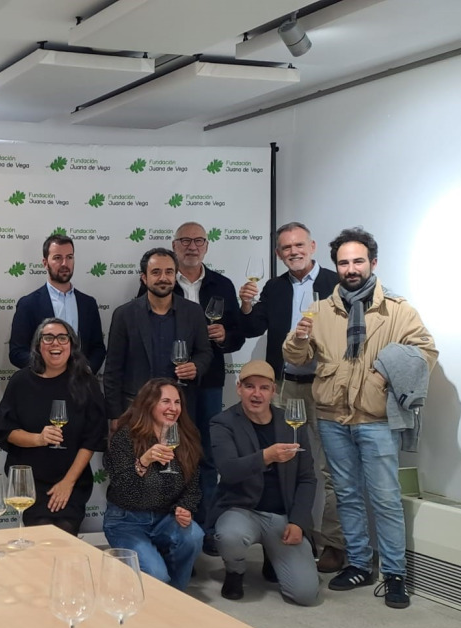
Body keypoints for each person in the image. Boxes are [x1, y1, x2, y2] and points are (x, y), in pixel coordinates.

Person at [285, 227, 437, 609]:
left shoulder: (397, 310)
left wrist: (386, 371)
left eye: (357, 261)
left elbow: (426, 351)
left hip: (376, 419)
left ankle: (395, 573)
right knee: (347, 494)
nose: (350, 268)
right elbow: (296, 358)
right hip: (332, 417)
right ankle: (358, 563)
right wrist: (300, 339)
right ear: (335, 266)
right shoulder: (320, 310)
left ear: (372, 262)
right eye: (343, 262)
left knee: (385, 498)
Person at [238, 222, 345, 572]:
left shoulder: (336, 283)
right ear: (278, 254)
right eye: (286, 248)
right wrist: (246, 306)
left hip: (325, 386)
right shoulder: (274, 286)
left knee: (331, 469)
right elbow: (254, 328)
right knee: (284, 464)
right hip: (284, 387)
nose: (293, 252)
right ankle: (281, 541)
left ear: (312, 246)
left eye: (299, 245)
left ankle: (333, 544)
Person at [211, 360, 320, 606]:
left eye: (264, 388)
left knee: (305, 595)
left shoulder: (292, 423)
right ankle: (235, 571)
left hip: (282, 516)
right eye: (250, 386)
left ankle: (274, 556)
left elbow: (307, 478)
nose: (256, 394)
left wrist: (298, 522)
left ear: (274, 391)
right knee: (229, 535)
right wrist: (266, 456)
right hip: (242, 510)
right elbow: (228, 470)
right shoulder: (223, 422)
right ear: (239, 388)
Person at [170, 222, 245, 555]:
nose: (192, 246)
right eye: (185, 240)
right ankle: (174, 526)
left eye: (198, 240)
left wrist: (224, 336)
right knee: (171, 454)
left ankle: (208, 528)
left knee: (209, 457)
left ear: (207, 246)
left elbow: (238, 334)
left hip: (211, 381)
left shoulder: (222, 284)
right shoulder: (160, 280)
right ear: (175, 245)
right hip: (169, 383)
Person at [0, 319, 106, 535]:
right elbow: (6, 432)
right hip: (30, 483)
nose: (56, 344)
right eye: (48, 338)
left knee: (63, 535)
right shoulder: (20, 382)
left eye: (63, 338)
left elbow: (92, 439)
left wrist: (67, 483)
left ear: (71, 345)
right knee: (40, 538)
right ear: (38, 345)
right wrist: (39, 439)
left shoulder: (86, 383)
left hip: (71, 481)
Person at [102, 378, 205, 590]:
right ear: (149, 404)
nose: (173, 408)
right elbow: (122, 488)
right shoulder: (125, 437)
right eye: (166, 401)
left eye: (177, 403)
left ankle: (176, 594)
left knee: (194, 535)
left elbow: (193, 487)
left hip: (164, 518)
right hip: (125, 521)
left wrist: (184, 508)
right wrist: (144, 461)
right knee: (157, 575)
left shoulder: (186, 437)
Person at [104, 248, 211, 427]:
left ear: (175, 275)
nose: (163, 278)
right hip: (135, 407)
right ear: (144, 278)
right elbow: (113, 369)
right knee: (136, 457)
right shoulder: (124, 314)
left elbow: (205, 353)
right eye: (156, 272)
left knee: (178, 455)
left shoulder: (193, 312)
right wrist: (115, 416)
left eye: (169, 272)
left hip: (178, 409)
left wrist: (196, 366)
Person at [8, 233, 106, 372]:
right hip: (43, 386)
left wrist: (87, 370)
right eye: (58, 258)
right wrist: (48, 369)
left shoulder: (88, 304)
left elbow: (98, 348)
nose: (65, 263)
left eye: (69, 257)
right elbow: (17, 353)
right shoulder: (28, 304)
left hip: (80, 386)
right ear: (45, 263)